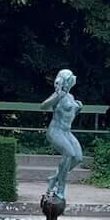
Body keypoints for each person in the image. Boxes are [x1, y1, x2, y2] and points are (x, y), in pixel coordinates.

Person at [42, 68, 82, 204]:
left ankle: (55, 178)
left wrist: (78, 108)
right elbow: (43, 106)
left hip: (67, 132)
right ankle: (60, 190)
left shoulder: (70, 97)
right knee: (69, 154)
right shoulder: (57, 95)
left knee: (78, 158)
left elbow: (70, 114)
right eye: (69, 80)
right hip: (55, 131)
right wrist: (57, 96)